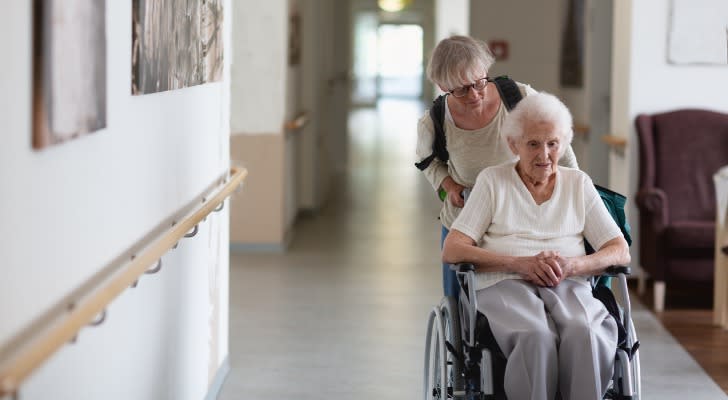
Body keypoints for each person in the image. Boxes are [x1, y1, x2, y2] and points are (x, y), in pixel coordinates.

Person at [441, 92, 630, 399]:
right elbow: (453, 249)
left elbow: (619, 249)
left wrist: (573, 266)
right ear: (513, 145)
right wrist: (518, 263)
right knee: (535, 335)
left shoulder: (578, 183)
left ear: (564, 144)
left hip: (568, 281)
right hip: (504, 281)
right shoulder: (492, 181)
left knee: (587, 333)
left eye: (552, 143)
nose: (544, 154)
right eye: (533, 144)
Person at [415, 35, 579, 298]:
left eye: (479, 82)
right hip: (467, 221)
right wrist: (448, 187)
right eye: (460, 89)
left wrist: (576, 192)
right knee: (460, 304)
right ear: (442, 85)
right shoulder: (433, 121)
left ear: (486, 71)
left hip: (521, 218)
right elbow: (429, 162)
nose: (474, 94)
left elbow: (560, 149)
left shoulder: (520, 98)